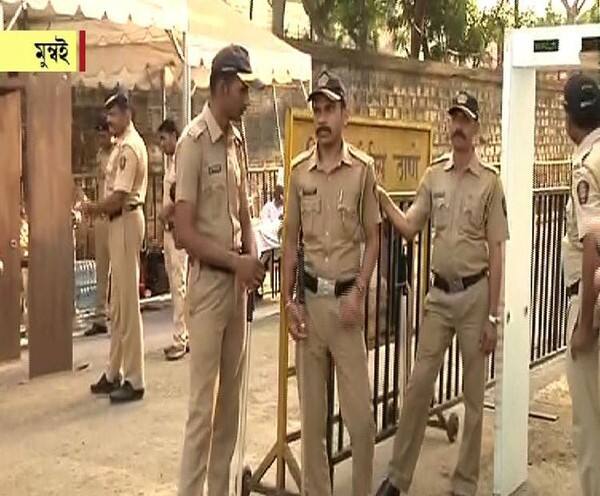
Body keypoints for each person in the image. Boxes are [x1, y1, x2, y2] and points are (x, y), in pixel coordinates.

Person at [375, 91, 509, 496]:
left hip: (474, 297)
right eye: (454, 120)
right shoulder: (433, 177)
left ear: (477, 130)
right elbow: (411, 225)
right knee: (417, 388)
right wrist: (382, 199)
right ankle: (398, 478)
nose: (458, 128)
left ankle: (464, 484)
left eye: (466, 121)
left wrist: (492, 315)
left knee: (472, 399)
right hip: (438, 297)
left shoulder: (490, 182)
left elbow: (498, 249)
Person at [283, 70, 380, 496]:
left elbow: (375, 237)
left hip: (345, 310)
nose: (322, 118)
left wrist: (360, 291)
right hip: (309, 308)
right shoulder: (298, 172)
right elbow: (289, 240)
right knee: (312, 427)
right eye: (317, 110)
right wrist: (289, 301)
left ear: (345, 115)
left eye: (329, 110)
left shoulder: (362, 171)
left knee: (361, 424)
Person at [175, 44, 265, 496]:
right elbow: (184, 234)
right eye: (243, 89)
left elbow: (246, 214)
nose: (249, 99)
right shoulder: (191, 143)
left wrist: (252, 260)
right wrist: (236, 263)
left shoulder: (237, 139)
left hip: (236, 286)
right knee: (202, 410)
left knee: (229, 405)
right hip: (209, 285)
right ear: (224, 85)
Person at [81, 92, 148, 404]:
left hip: (125, 219)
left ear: (127, 114)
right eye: (107, 115)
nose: (109, 121)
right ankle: (114, 371)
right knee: (117, 304)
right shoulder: (119, 147)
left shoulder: (130, 149)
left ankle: (135, 378)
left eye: (114, 115)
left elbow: (120, 195)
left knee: (127, 302)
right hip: (117, 222)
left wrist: (92, 208)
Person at [560, 73, 600, 496]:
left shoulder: (586, 163)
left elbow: (593, 242)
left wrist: (585, 325)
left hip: (592, 302)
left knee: (590, 430)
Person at [157, 118, 189, 361]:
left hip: (177, 230)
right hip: (168, 230)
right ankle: (183, 334)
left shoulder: (182, 160)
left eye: (163, 138)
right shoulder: (171, 162)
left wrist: (167, 213)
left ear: (173, 136)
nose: (161, 144)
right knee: (176, 284)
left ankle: (182, 338)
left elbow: (179, 195)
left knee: (180, 285)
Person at [85, 116, 114, 337]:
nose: (101, 139)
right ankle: (100, 315)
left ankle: (119, 313)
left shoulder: (120, 153)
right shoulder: (100, 156)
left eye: (104, 134)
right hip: (103, 217)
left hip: (117, 215)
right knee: (101, 268)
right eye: (99, 135)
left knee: (121, 269)